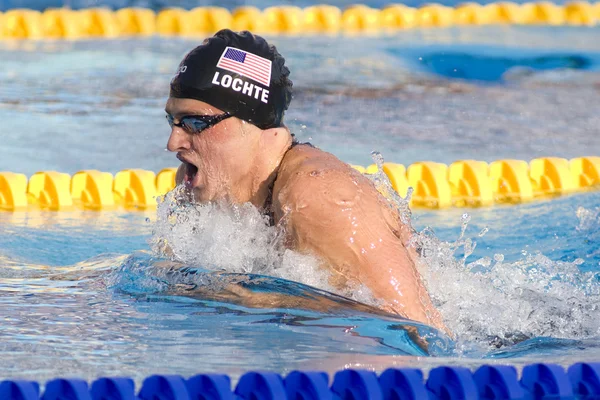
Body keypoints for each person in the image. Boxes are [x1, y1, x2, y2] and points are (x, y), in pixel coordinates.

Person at [165, 29, 448, 334]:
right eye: (173, 121)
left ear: (254, 125)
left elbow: (416, 328)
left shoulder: (319, 197)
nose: (173, 142)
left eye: (195, 123)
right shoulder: (200, 186)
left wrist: (265, 299)